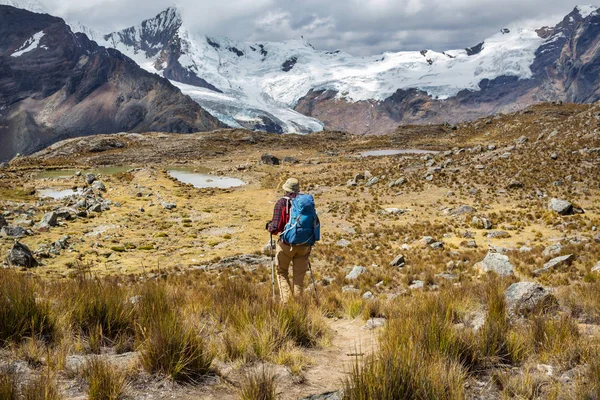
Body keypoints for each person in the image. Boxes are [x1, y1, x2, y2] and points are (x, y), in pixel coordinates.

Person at [266, 178, 319, 303]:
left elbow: (275, 228)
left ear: (286, 189)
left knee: (282, 272)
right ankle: (299, 305)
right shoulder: (306, 203)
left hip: (286, 245)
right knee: (299, 277)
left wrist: (269, 226)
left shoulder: (281, 203)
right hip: (305, 244)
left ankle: (288, 304)